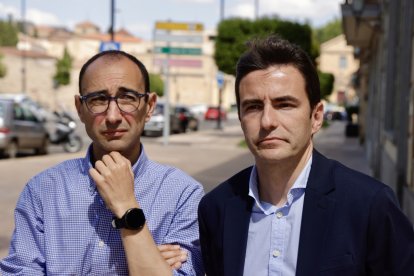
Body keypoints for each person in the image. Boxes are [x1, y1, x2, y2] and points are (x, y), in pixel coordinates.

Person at [198, 35, 414, 276]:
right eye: (253, 107)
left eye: (285, 105)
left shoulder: (369, 204)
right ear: (240, 118)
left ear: (316, 116)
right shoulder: (216, 208)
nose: (267, 121)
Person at [1, 50, 204, 275]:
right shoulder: (43, 190)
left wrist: (127, 208)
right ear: (80, 108)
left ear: (150, 106)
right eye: (98, 99)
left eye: (128, 98)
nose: (113, 116)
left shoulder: (183, 194)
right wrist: (149, 259)